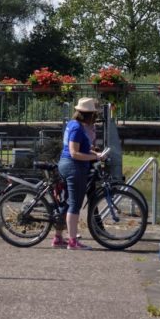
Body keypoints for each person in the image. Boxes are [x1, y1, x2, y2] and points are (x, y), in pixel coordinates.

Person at [56, 97, 108, 250]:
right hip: (74, 167)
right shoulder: (78, 128)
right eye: (94, 114)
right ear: (89, 114)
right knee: (75, 204)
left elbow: (80, 148)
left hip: (68, 165)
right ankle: (73, 242)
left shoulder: (73, 124)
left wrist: (93, 152)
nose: (95, 117)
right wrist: (95, 156)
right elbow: (74, 153)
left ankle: (58, 237)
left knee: (66, 203)